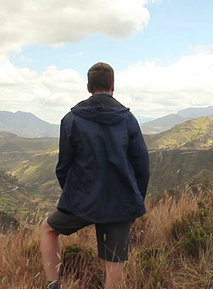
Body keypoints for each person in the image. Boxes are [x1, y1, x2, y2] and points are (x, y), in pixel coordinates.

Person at [40, 62, 150, 289]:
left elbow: (63, 166)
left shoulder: (71, 119)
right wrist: (136, 202)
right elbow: (142, 166)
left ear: (89, 86)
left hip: (83, 198)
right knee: (114, 261)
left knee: (49, 230)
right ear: (113, 85)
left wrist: (74, 194)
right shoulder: (128, 119)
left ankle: (53, 284)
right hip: (121, 200)